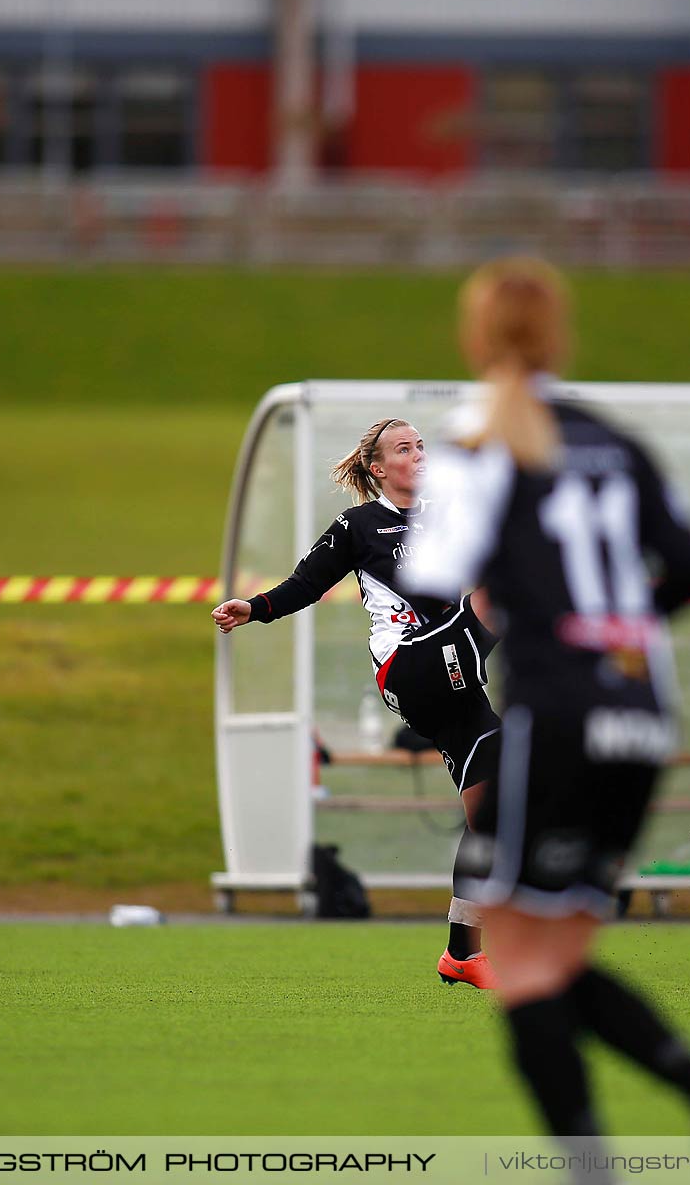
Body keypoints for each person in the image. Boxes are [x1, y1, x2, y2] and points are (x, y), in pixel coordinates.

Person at [404, 257, 690, 1160]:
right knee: (559, 957)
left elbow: (431, 575)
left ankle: (595, 1167)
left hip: (554, 715)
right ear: (559, 336)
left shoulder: (478, 439)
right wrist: (618, 626)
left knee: (523, 968)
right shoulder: (616, 439)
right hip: (641, 718)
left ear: (476, 337)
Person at [212, 417, 504, 988]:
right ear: (377, 467)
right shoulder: (360, 524)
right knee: (513, 588)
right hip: (410, 664)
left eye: (423, 446)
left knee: (495, 810)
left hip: (457, 677)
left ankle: (462, 953)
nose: (418, 455)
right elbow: (307, 582)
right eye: (404, 448)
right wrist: (256, 607)